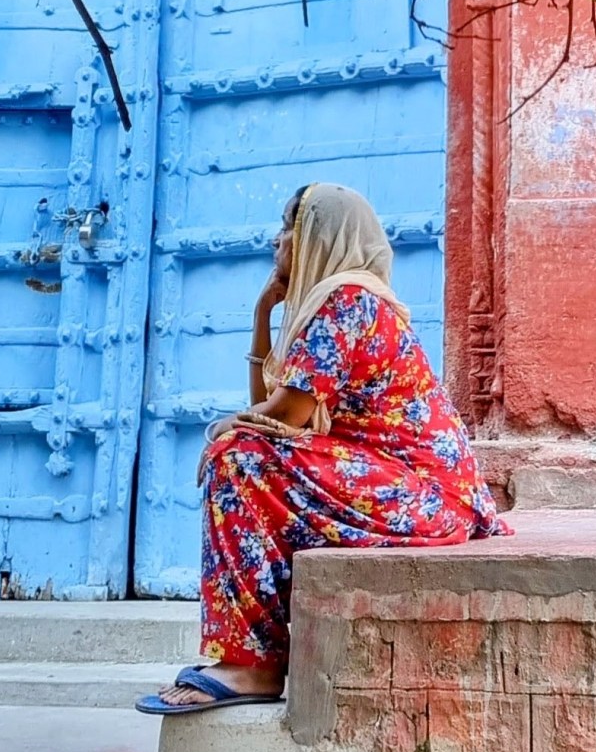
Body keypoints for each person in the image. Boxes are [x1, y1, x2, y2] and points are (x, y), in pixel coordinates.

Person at [137, 182, 509, 715]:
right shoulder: (335, 302)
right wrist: (264, 310)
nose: (277, 239)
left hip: (425, 495)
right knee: (243, 454)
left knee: (238, 458)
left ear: (320, 237)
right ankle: (250, 657)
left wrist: (229, 428)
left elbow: (283, 417)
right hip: (400, 487)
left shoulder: (348, 300)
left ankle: (251, 664)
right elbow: (274, 407)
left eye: (290, 227)